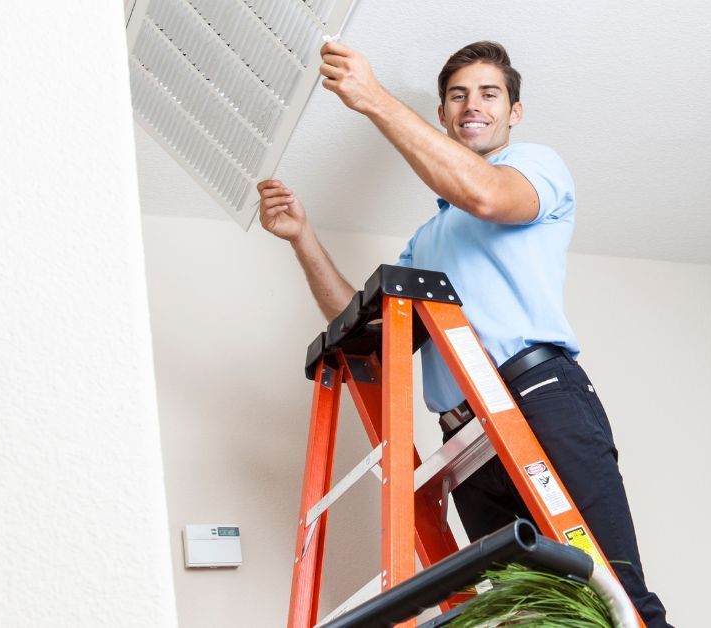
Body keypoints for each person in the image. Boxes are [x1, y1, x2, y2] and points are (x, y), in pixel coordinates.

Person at [257, 41, 671, 626]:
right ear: (444, 115)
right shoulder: (427, 240)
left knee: (614, 594)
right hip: (467, 442)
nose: (471, 105)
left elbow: (485, 194)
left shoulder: (536, 167)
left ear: (514, 111)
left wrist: (375, 101)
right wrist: (302, 237)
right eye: (457, 95)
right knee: (539, 614)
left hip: (537, 399)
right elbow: (367, 331)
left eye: (488, 93)